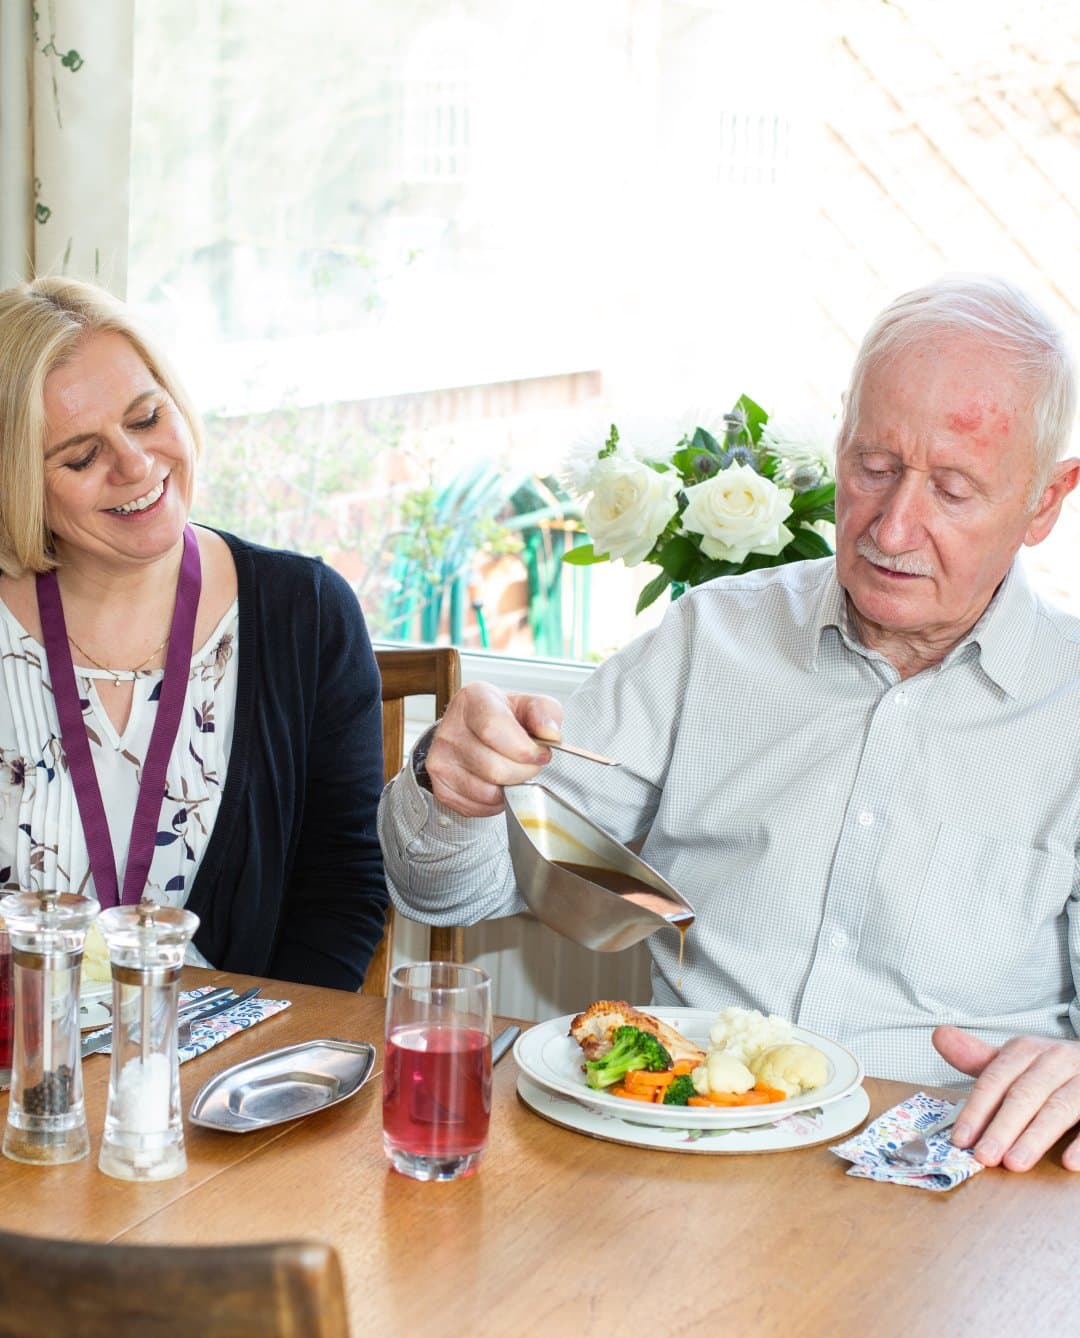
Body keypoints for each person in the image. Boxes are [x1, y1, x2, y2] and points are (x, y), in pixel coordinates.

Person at [380, 273, 1080, 1172]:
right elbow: (451, 895)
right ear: (838, 441)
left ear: (1046, 502)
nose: (893, 528)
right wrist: (452, 786)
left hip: (959, 1184)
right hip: (681, 1159)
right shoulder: (713, 639)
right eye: (872, 468)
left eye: (953, 489)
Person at [0, 276, 387, 989]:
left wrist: (267, 1069)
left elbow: (345, 886)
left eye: (147, 417)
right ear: (16, 482)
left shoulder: (307, 612)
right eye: (81, 457)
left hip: (233, 1080)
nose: (137, 466)